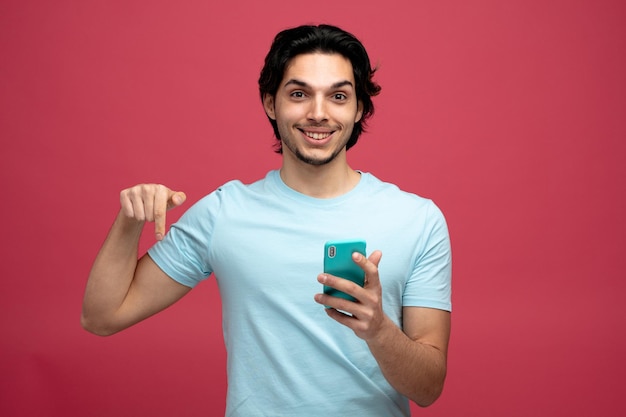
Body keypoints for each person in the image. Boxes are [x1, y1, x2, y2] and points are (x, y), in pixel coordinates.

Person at [81, 24, 452, 416]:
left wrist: (378, 330)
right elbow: (102, 317)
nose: (318, 113)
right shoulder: (224, 213)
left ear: (359, 108)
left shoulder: (416, 219)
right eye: (299, 94)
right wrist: (130, 221)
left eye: (338, 96)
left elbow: (428, 388)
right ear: (270, 104)